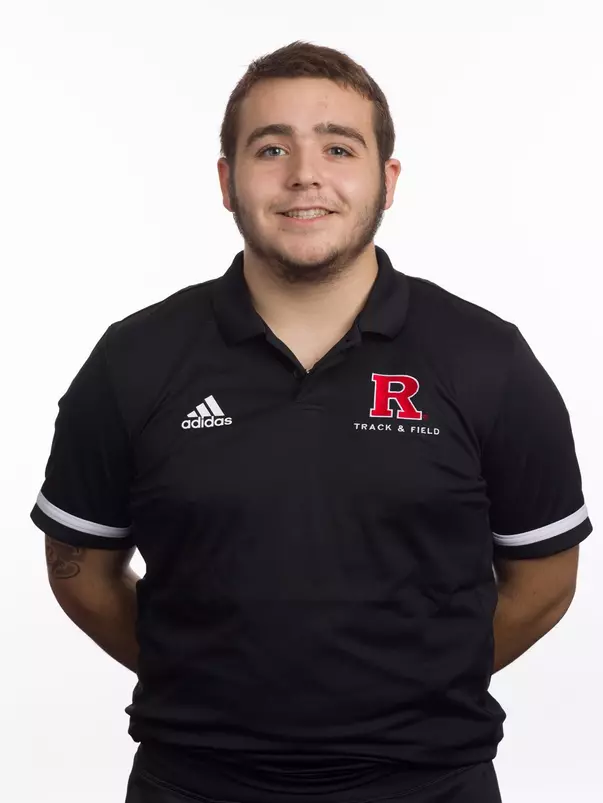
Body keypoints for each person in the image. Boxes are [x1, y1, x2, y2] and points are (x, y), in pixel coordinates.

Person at [32, 40, 592, 803]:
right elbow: (81, 569)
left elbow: (545, 576)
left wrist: (410, 689)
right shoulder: (135, 359)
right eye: (270, 148)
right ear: (227, 181)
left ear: (386, 180)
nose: (305, 174)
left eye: (338, 146)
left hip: (430, 784)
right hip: (192, 782)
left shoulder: (486, 358)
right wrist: (208, 684)